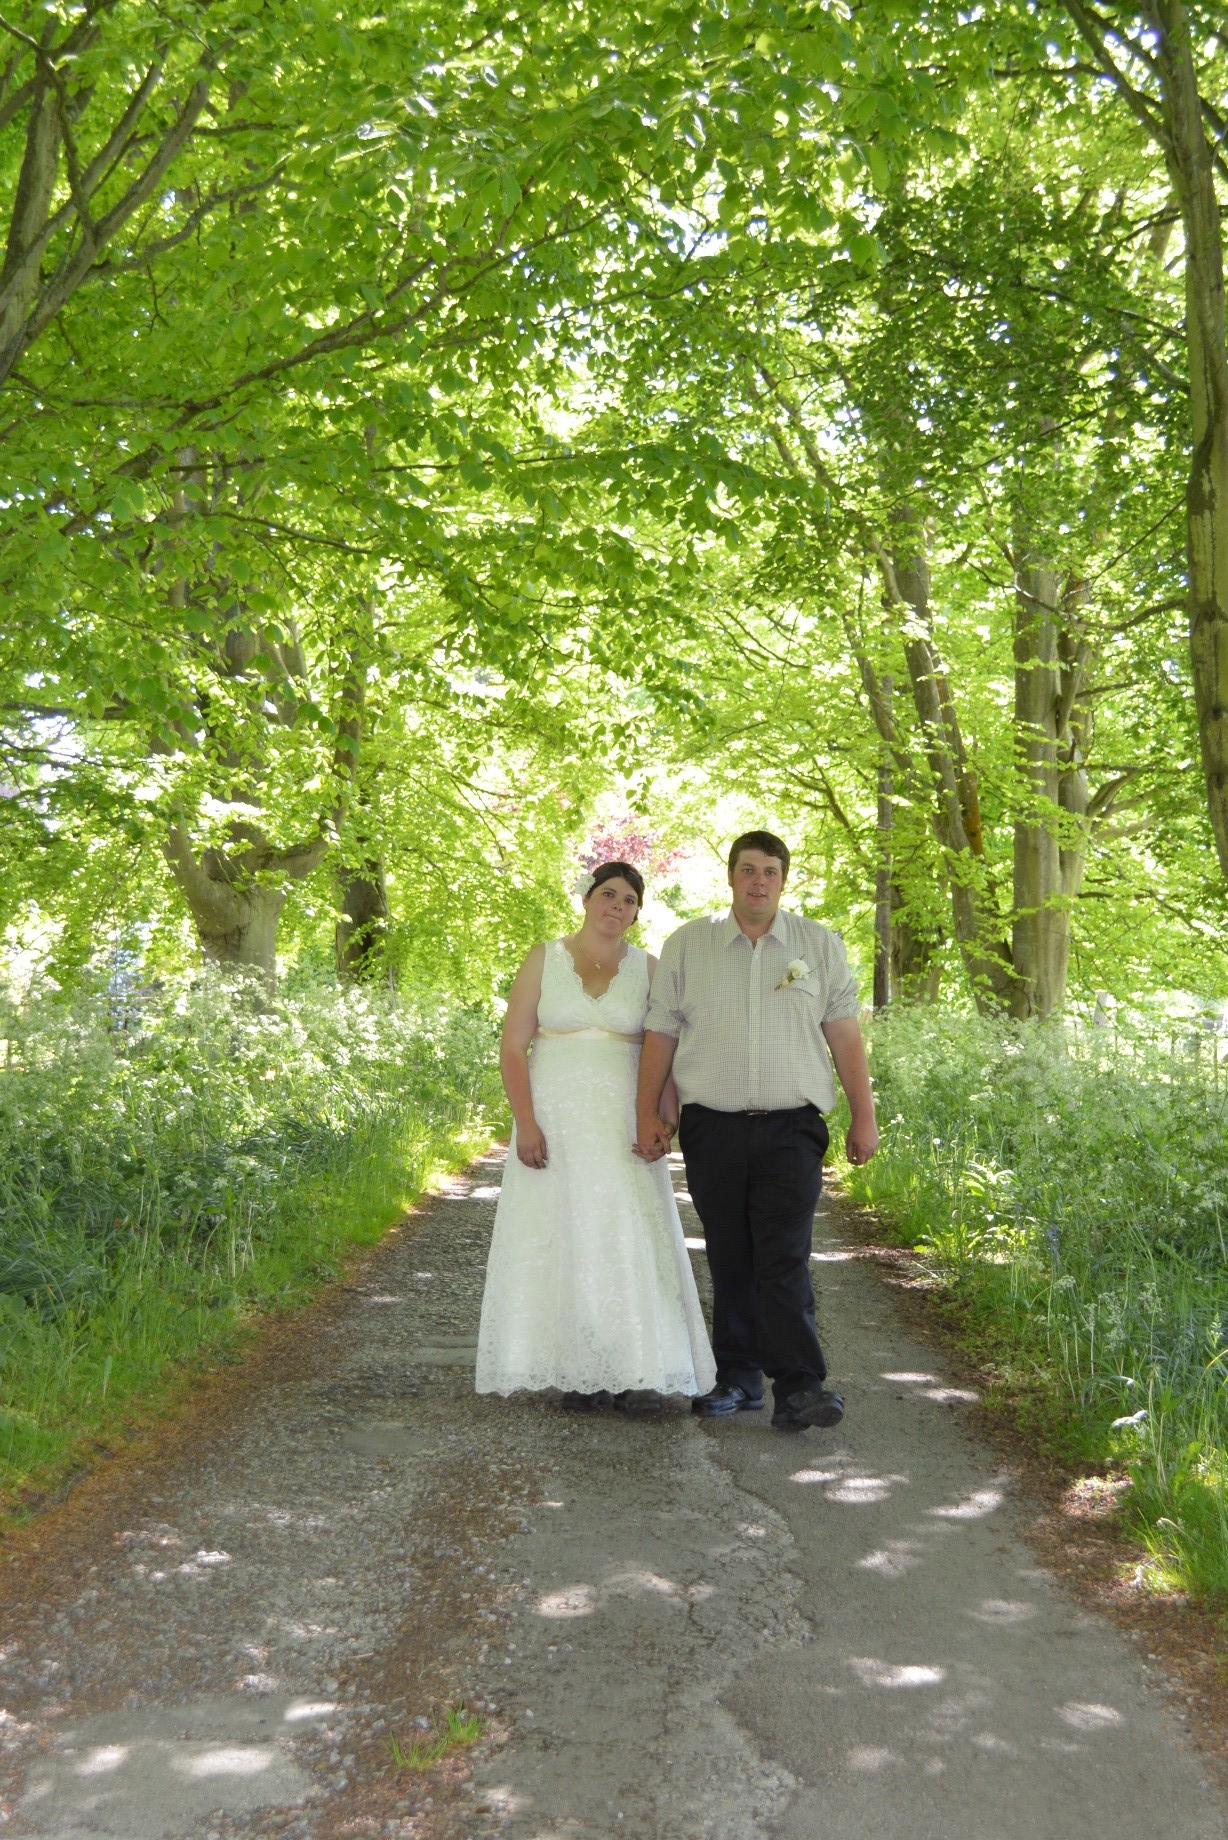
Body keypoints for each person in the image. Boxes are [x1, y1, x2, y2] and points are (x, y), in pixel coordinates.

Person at [635, 831, 878, 1432]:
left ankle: (801, 1386)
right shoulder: (689, 945)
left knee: (784, 1255)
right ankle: (737, 1380)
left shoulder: (818, 946)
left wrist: (863, 1115)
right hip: (711, 1126)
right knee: (729, 1254)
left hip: (792, 1126)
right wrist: (648, 1113)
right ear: (731, 877)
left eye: (770, 871)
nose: (759, 881)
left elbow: (844, 1035)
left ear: (783, 880)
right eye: (748, 870)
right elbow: (660, 1033)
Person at [475, 861, 716, 1414]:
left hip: (623, 1121)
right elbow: (513, 1048)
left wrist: (664, 1120)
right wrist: (526, 1123)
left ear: (636, 913)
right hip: (555, 1117)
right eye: (608, 894)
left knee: (626, 1232)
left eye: (630, 900)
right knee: (562, 1231)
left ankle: (636, 1370)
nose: (617, 906)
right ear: (586, 899)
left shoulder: (651, 969)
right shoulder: (543, 958)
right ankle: (577, 1370)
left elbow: (666, 1049)